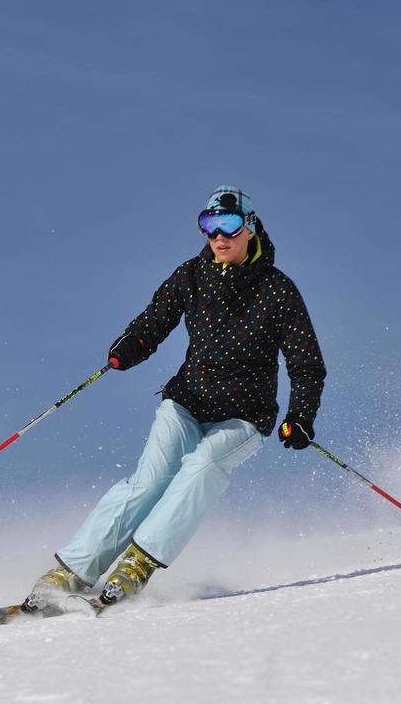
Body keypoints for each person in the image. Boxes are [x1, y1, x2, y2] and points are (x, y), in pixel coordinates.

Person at [22, 185, 327, 615]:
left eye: (230, 226)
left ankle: (137, 564)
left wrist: (301, 415)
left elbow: (306, 363)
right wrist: (131, 345)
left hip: (244, 418)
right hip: (187, 402)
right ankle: (72, 570)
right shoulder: (192, 274)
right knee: (149, 482)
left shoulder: (278, 291)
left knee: (202, 468)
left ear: (251, 228)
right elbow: (155, 318)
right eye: (209, 226)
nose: (219, 237)